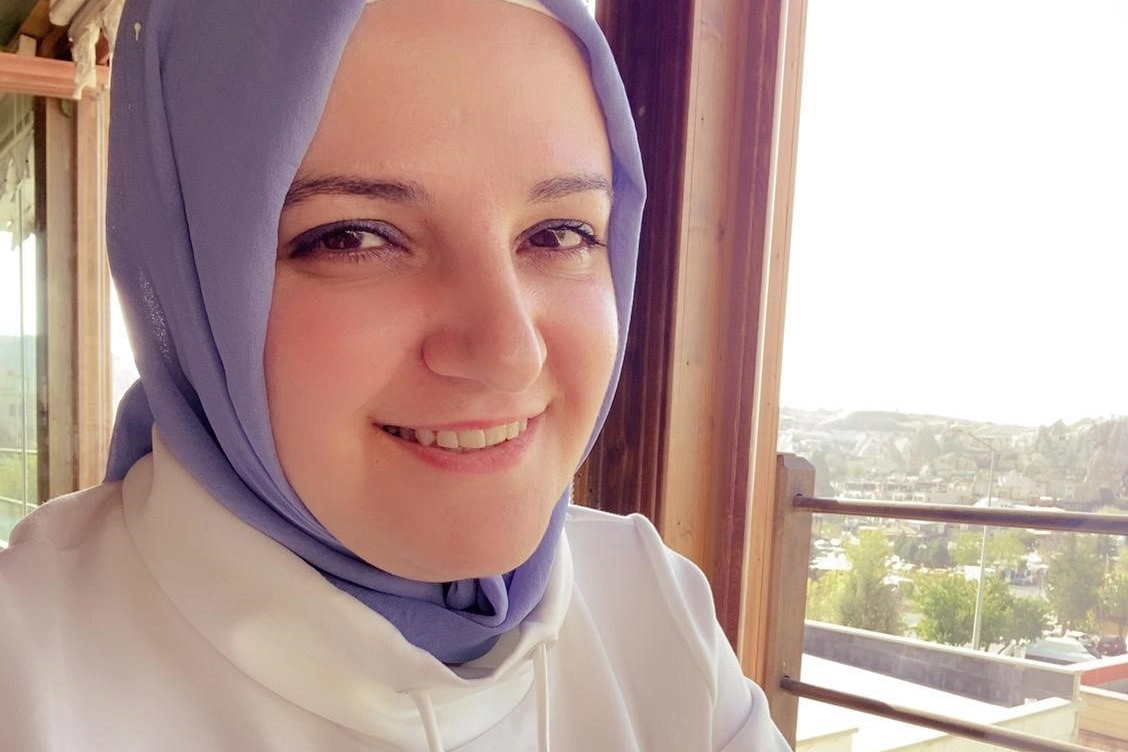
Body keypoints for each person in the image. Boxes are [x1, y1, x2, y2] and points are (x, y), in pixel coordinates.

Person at [0, 0, 792, 750]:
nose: (509, 351)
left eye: (559, 233)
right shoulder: (25, 676)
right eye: (352, 237)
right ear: (189, 276)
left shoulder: (652, 607)